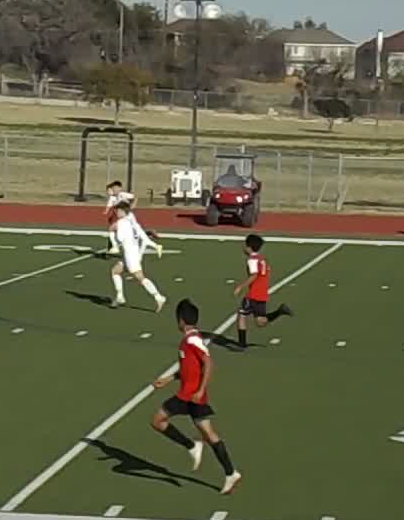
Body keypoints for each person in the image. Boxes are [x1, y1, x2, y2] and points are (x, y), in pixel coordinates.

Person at [150, 299, 242, 495]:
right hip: (191, 397)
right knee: (209, 434)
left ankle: (192, 445)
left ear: (181, 320)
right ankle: (231, 473)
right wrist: (169, 378)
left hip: (189, 396)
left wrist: (200, 390)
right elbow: (189, 368)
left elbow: (208, 363)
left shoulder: (192, 340)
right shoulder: (190, 340)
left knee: (158, 421)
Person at [234, 234, 291, 350]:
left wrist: (241, 286)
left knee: (242, 315)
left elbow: (254, 275)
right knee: (261, 322)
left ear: (249, 247)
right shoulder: (262, 259)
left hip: (253, 294)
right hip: (262, 293)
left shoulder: (252, 260)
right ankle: (280, 311)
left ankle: (241, 344)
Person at [110, 202, 167, 313]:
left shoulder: (122, 222)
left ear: (122, 211)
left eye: (117, 211)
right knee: (115, 271)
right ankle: (120, 296)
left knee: (140, 277)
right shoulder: (131, 220)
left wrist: (114, 231)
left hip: (130, 254)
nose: (116, 213)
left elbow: (121, 238)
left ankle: (158, 297)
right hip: (133, 252)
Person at [104, 181, 136, 255]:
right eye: (112, 188)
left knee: (126, 233)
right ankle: (113, 247)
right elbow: (109, 206)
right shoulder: (113, 198)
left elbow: (134, 197)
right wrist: (106, 211)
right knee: (113, 230)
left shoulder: (123, 195)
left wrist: (132, 205)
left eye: (115, 188)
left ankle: (115, 247)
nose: (113, 189)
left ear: (120, 188)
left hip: (125, 218)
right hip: (118, 218)